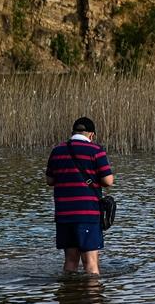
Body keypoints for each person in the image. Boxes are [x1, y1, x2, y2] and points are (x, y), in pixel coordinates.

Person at [46, 116, 114, 275]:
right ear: (92, 135)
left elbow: (50, 180)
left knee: (70, 260)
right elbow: (108, 181)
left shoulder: (57, 151)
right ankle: (94, 298)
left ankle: (68, 296)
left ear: (73, 132)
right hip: (87, 214)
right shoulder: (96, 151)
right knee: (90, 262)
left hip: (64, 214)